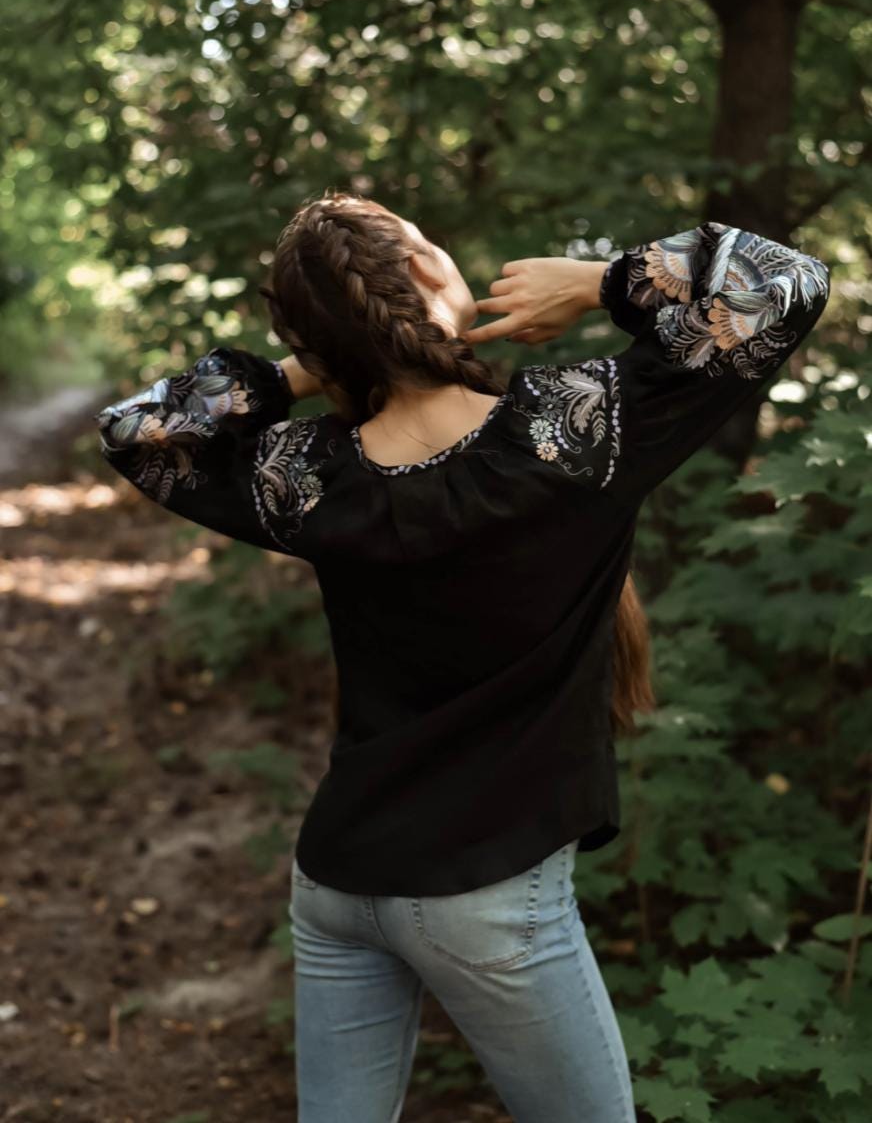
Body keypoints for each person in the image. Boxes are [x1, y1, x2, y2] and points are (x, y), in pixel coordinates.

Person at [94, 191, 830, 1122]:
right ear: (435, 275)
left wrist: (307, 371)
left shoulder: (312, 477)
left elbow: (138, 431)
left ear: (324, 339)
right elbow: (792, 282)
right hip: (487, 897)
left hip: (338, 879)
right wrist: (602, 282)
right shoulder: (577, 431)